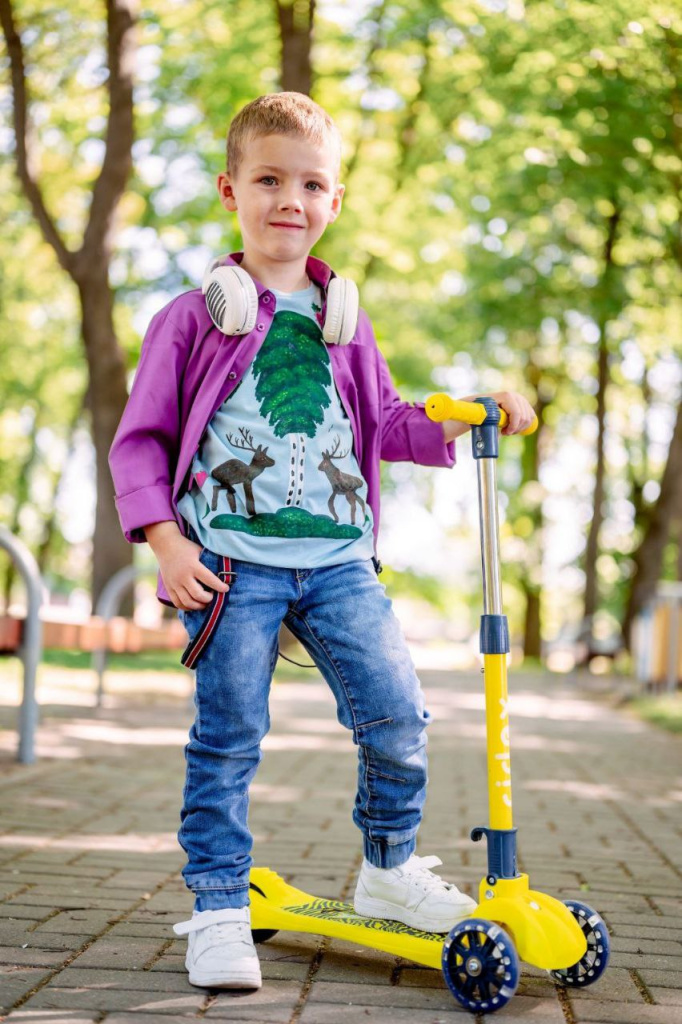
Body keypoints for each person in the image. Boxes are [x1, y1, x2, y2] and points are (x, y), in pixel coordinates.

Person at [109, 92, 535, 991]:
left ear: (333, 202)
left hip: (339, 561)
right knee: (228, 737)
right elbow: (140, 439)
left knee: (399, 714)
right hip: (228, 564)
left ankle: (387, 869)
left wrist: (467, 413)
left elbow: (381, 421)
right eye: (268, 180)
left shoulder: (344, 319)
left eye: (310, 184)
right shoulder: (195, 316)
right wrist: (164, 540)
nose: (288, 200)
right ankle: (221, 905)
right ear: (232, 191)